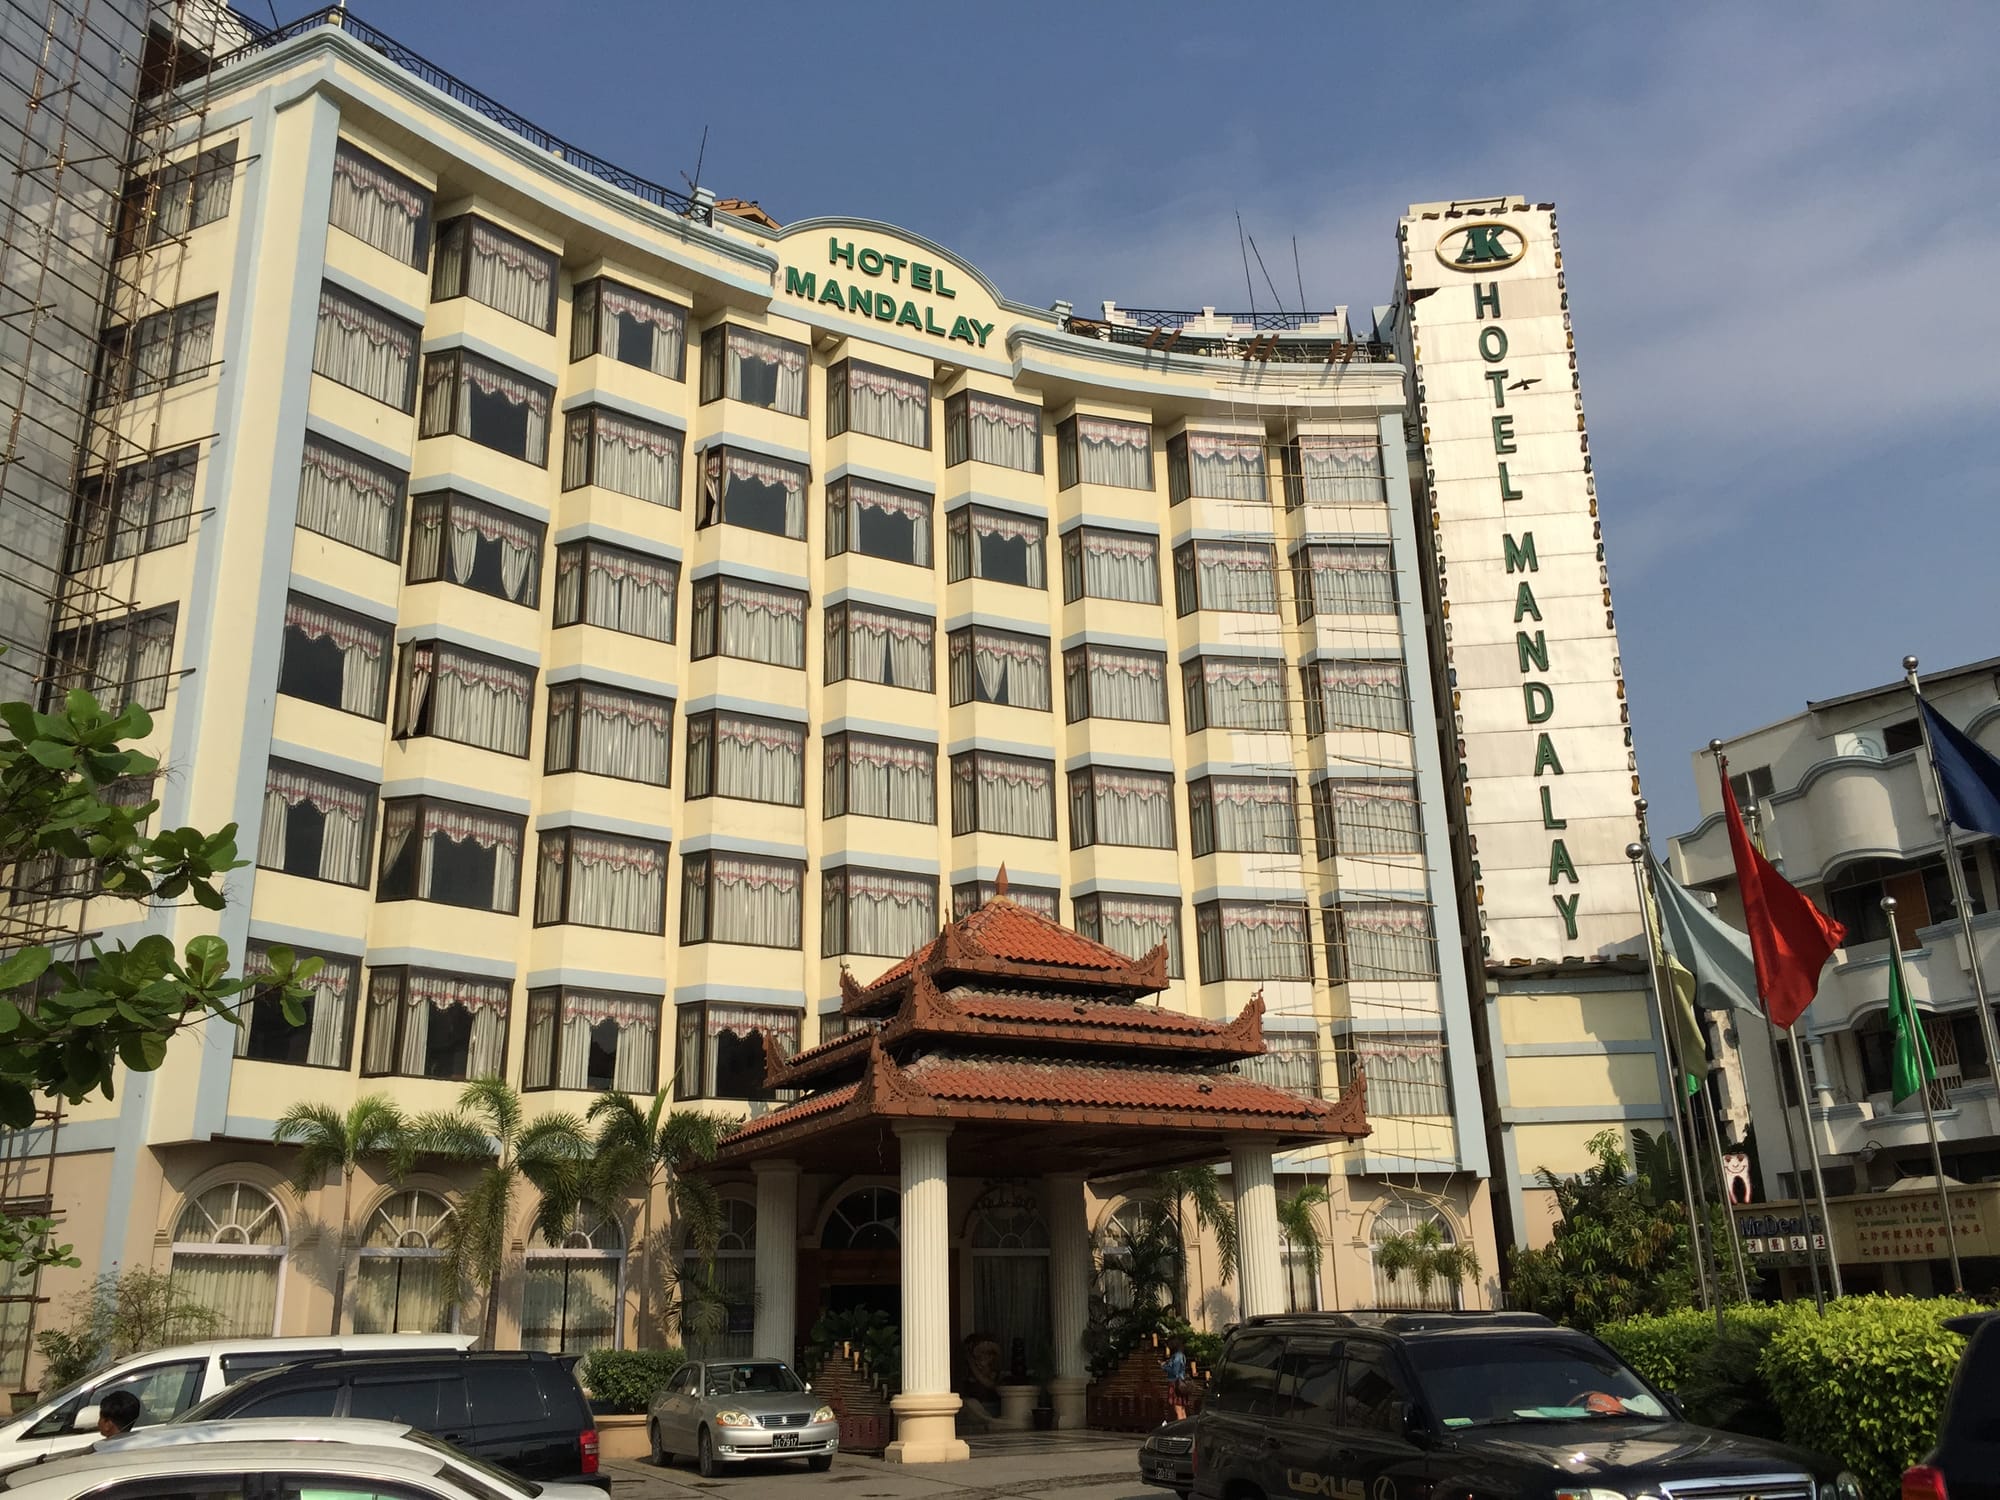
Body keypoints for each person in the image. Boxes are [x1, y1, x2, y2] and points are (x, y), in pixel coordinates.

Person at [1161, 1335, 1191, 1420]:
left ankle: (1181, 1430)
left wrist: (1164, 1367)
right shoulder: (1181, 1355)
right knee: (1182, 1409)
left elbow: (1175, 1371)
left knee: (1178, 1409)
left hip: (1176, 1383)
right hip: (1180, 1383)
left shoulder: (1177, 1356)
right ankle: (1185, 1429)